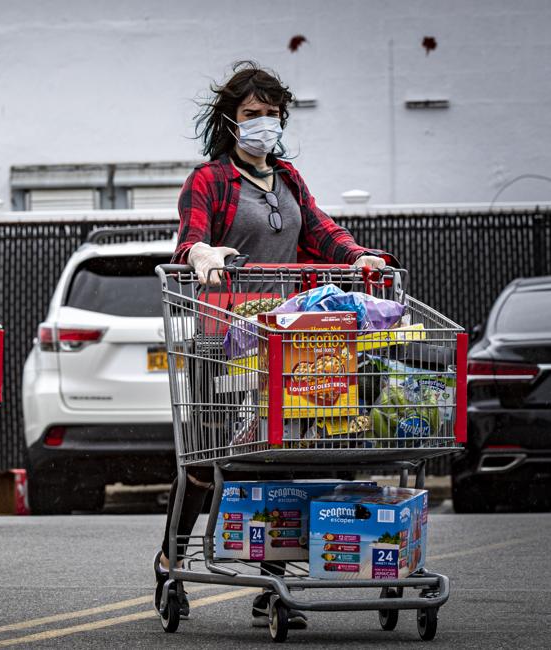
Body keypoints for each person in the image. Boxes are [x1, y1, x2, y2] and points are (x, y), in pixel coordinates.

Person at [156, 62, 398, 627]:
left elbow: (321, 230)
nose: (263, 122)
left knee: (279, 457)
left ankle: (273, 582)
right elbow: (190, 239)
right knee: (206, 463)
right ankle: (172, 560)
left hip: (285, 339)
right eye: (251, 113)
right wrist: (203, 254)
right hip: (221, 337)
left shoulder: (288, 178)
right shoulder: (209, 180)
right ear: (230, 120)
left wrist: (360, 256)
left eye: (271, 113)